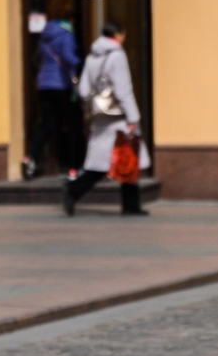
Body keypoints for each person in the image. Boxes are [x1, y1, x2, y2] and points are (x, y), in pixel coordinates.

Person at [62, 21, 151, 216]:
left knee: (103, 161)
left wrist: (97, 102)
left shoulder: (92, 56)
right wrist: (133, 117)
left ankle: (75, 190)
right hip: (118, 115)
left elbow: (84, 89)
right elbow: (123, 89)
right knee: (127, 155)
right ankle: (128, 205)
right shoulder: (117, 55)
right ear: (119, 34)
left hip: (100, 116)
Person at [23, 0, 85, 180]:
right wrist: (81, 62)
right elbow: (67, 57)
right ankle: (73, 168)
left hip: (44, 84)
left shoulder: (46, 32)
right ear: (70, 15)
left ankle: (30, 157)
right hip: (62, 85)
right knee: (74, 125)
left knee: (48, 125)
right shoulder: (66, 33)